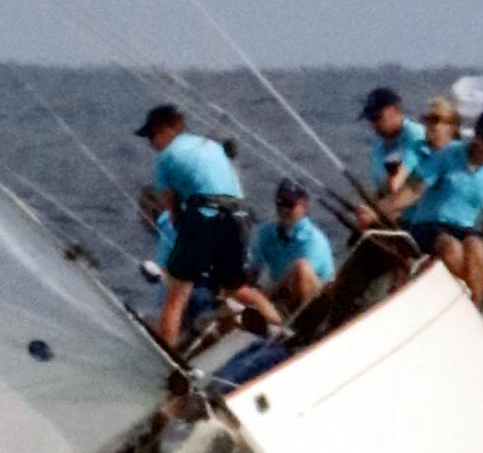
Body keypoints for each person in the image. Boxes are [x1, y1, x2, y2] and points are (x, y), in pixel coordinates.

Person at [136, 103, 252, 353]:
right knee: (238, 289)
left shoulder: (165, 160)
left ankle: (169, 362)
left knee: (175, 299)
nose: (151, 143)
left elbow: (172, 211)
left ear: (166, 129)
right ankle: (281, 326)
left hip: (204, 222)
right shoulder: (211, 146)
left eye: (152, 135)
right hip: (235, 218)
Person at [405, 106, 483, 319]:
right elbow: (412, 189)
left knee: (475, 245)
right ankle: (479, 300)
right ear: (476, 135)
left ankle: (476, 304)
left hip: (462, 228)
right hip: (429, 225)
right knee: (451, 248)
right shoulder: (449, 154)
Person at [235, 178, 334, 333]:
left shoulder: (314, 240)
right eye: (280, 203)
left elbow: (298, 276)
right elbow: (253, 269)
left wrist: (262, 296)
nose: (284, 209)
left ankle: (305, 330)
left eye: (290, 204)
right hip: (281, 297)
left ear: (304, 207)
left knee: (301, 268)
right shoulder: (267, 233)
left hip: (315, 298)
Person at [352, 86, 427, 223]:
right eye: (370, 119)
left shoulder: (415, 137)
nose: (374, 124)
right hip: (393, 217)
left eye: (378, 117)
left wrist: (375, 212)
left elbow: (410, 187)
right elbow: (384, 188)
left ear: (397, 111)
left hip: (420, 218)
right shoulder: (379, 141)